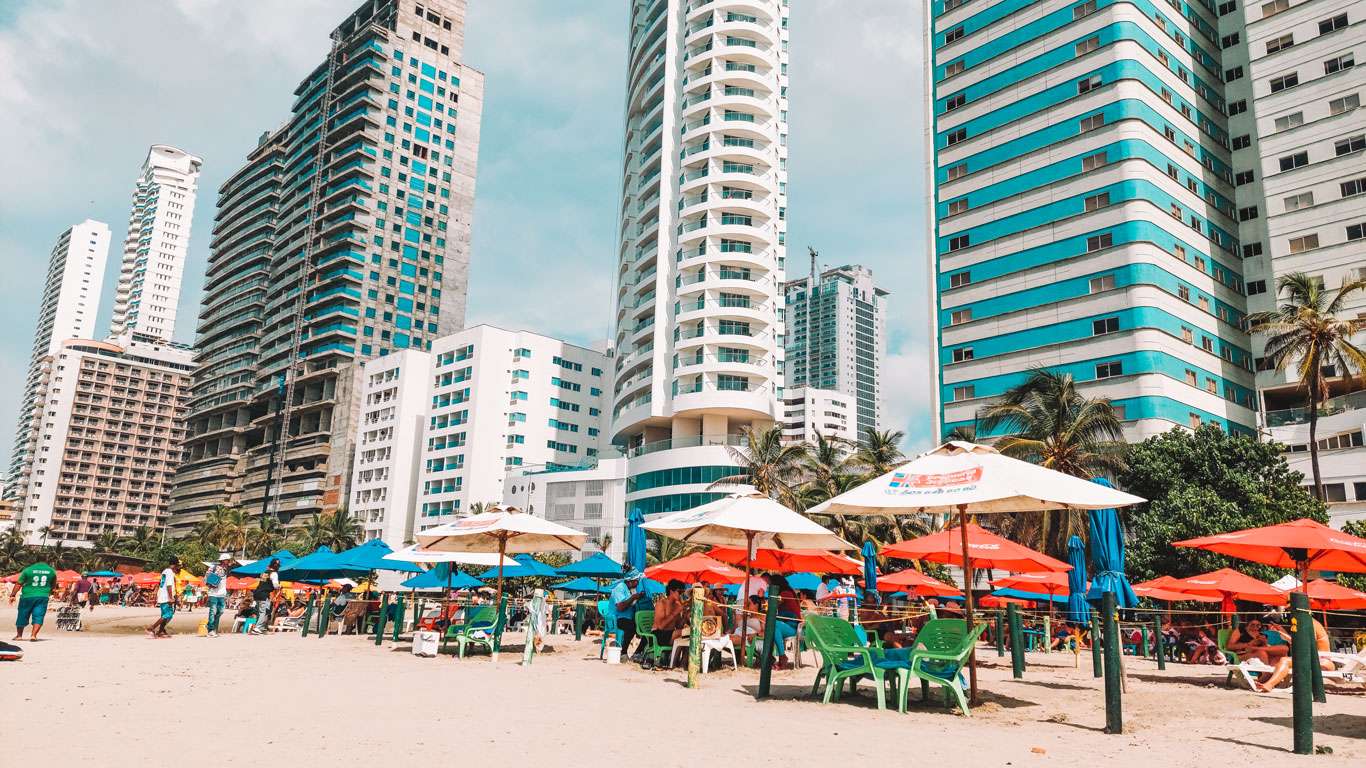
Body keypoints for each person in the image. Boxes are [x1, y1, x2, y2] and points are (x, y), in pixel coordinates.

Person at [1252, 615, 1333, 692]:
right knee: (1276, 661)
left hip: (1322, 661)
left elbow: (1306, 646)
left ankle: (1269, 685)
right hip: (1314, 659)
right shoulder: (1306, 621)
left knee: (1284, 660)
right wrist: (1280, 631)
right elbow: (1299, 642)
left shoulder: (1310, 623)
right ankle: (1258, 684)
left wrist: (1288, 638)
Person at [10, 557, 58, 642]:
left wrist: (13, 594)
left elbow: (19, 583)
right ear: (46, 561)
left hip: (27, 596)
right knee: (39, 615)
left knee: (22, 614)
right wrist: (48, 593)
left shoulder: (28, 570)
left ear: (36, 560)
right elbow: (53, 585)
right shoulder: (52, 571)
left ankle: (19, 635)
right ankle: (33, 635)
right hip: (42, 596)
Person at [608, 570, 649, 657]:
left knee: (647, 628)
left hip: (629, 617)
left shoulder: (630, 590)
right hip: (618, 618)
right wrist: (633, 597)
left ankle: (637, 653)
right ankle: (623, 652)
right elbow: (620, 607)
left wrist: (638, 597)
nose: (638, 583)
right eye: (637, 581)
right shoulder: (619, 588)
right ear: (631, 581)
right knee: (632, 627)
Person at [146, 557, 181, 638]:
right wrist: (171, 597)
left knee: (165, 615)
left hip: (162, 595)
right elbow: (169, 585)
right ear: (176, 564)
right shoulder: (170, 573)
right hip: (166, 597)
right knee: (168, 615)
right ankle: (151, 628)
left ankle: (161, 631)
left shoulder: (165, 571)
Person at [651, 580, 688, 648]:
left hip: (670, 633)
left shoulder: (677, 605)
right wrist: (675, 612)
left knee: (687, 638)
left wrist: (684, 616)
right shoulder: (661, 603)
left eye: (682, 592)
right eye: (679, 592)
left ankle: (679, 658)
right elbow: (660, 626)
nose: (681, 595)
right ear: (671, 591)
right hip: (657, 634)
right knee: (681, 634)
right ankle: (674, 658)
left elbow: (678, 626)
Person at [250, 559, 281, 635]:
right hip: (264, 594)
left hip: (257, 593)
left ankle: (261, 628)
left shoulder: (264, 572)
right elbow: (275, 585)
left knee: (260, 611)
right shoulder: (274, 574)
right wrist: (280, 586)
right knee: (263, 612)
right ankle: (257, 628)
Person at [204, 553, 230, 637]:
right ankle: (211, 630)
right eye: (228, 560)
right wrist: (211, 584)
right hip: (213, 593)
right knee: (213, 611)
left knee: (221, 610)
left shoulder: (225, 569)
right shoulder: (213, 568)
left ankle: (209, 625)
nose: (228, 562)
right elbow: (205, 580)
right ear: (224, 560)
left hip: (222, 593)